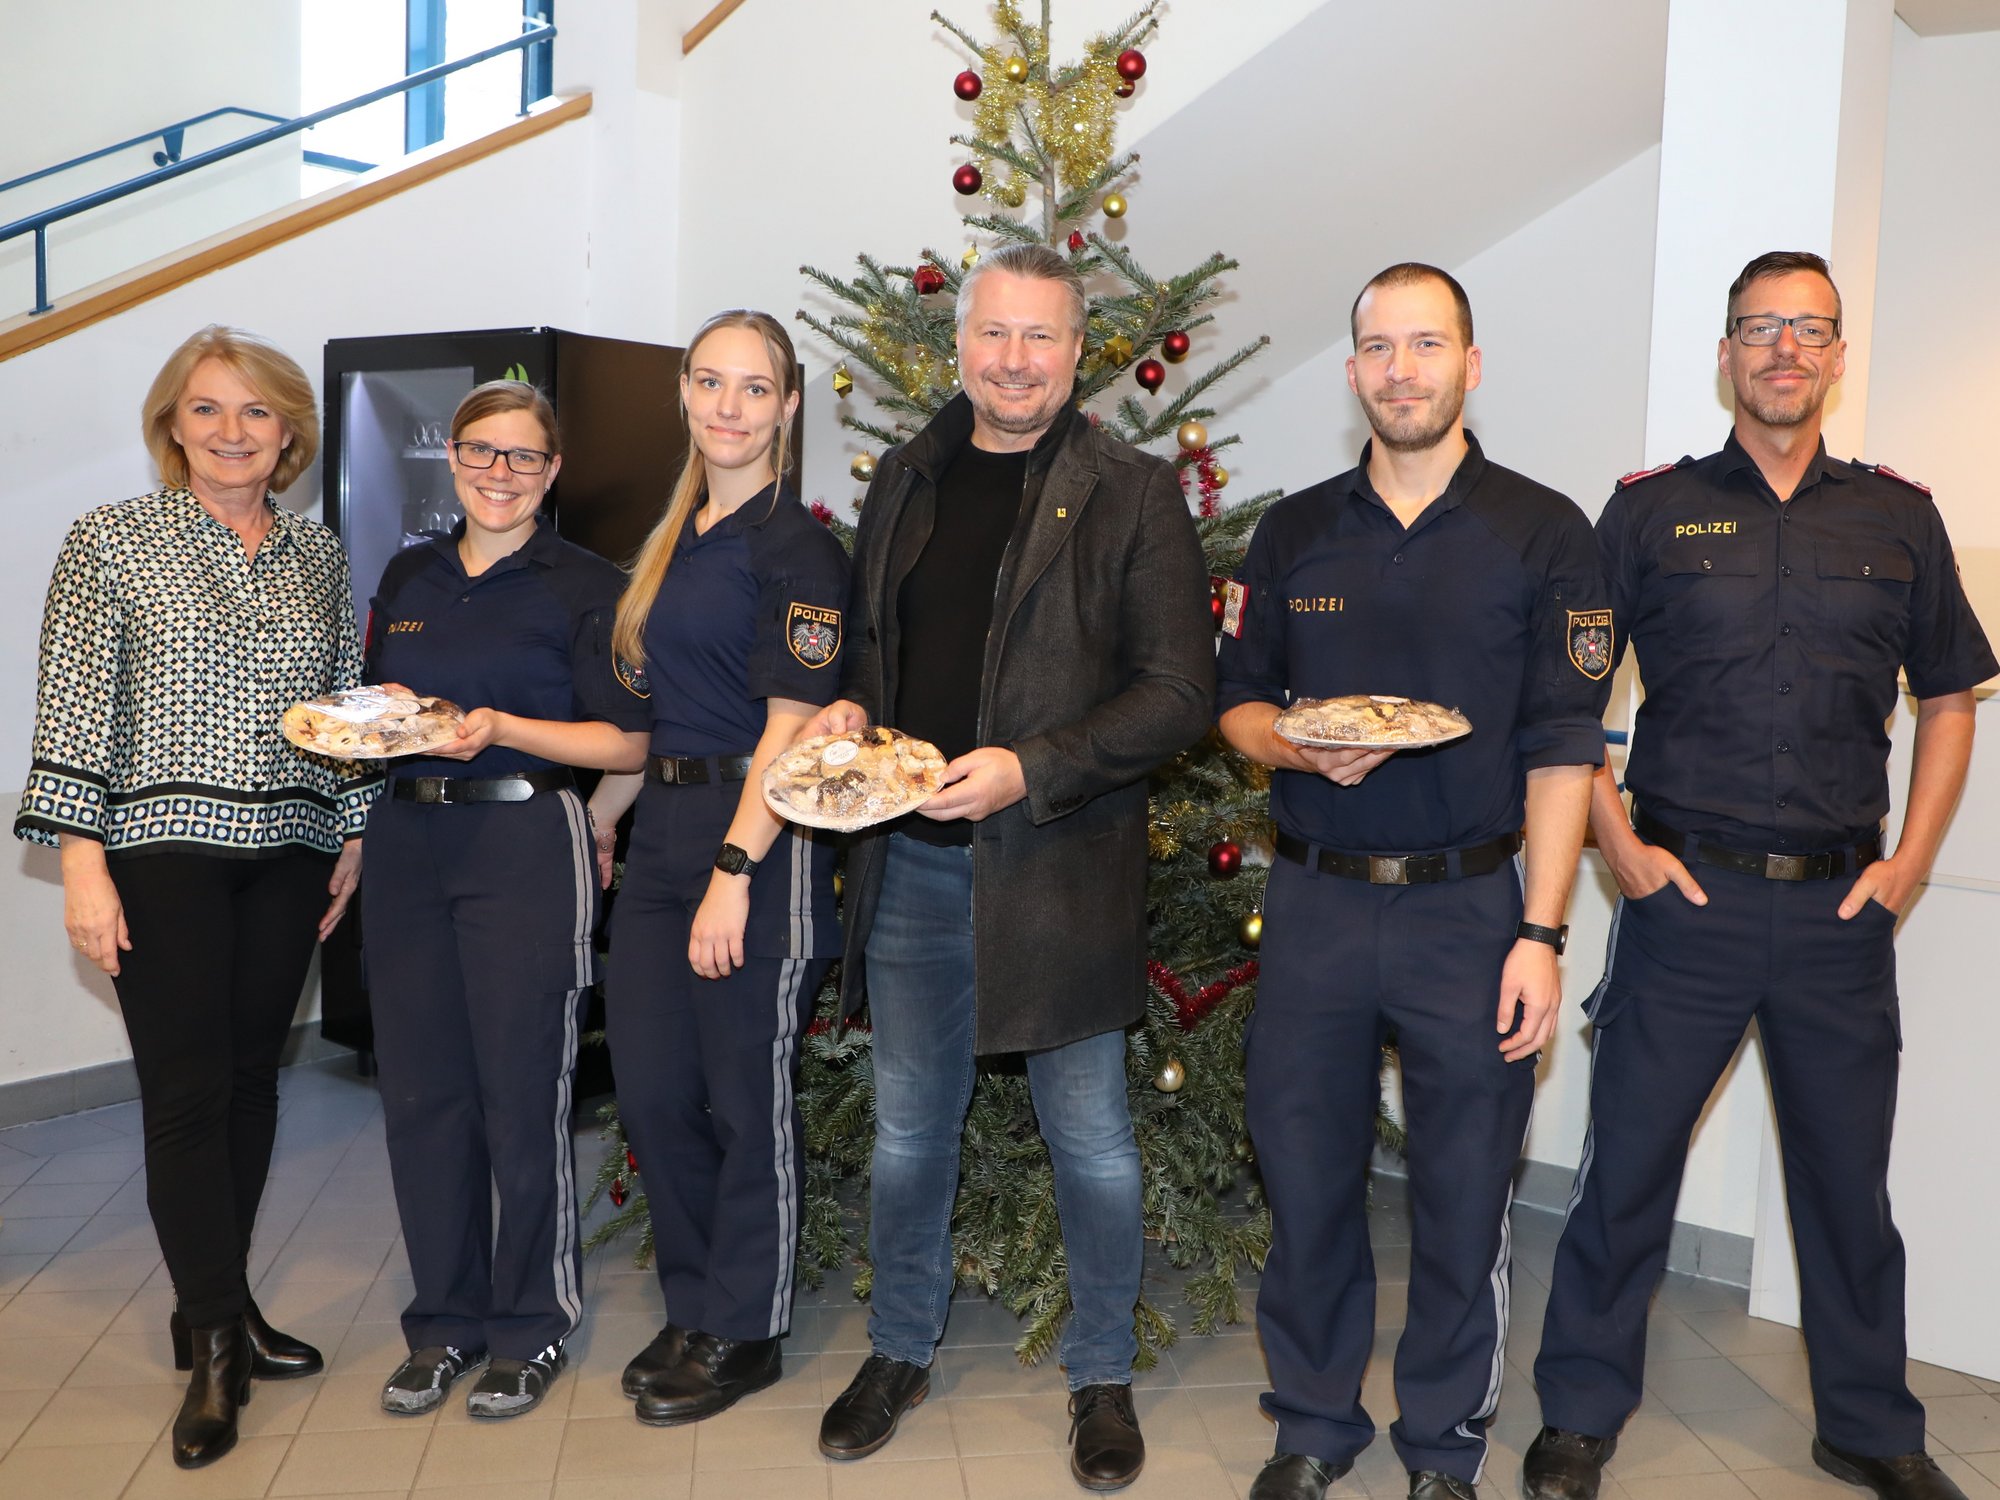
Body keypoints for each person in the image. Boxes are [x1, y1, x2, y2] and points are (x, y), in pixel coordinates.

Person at [1524, 251, 1995, 1500]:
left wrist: (1907, 864)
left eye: (1808, 329)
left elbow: (1948, 701)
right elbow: (1563, 706)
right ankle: (1576, 1413)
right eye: (1757, 329)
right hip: (1688, 907)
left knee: (1846, 1183)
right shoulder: (1642, 512)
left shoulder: (1897, 517)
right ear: (1724, 353)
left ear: (1837, 353)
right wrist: (1617, 848)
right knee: (1625, 1171)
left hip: (1844, 913)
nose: (1782, 350)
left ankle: (1868, 1427)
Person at [804, 242, 1214, 1494]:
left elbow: (1179, 696)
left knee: (1090, 1142)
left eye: (1040, 338)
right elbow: (878, 654)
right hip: (911, 867)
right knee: (907, 1136)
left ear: (1074, 353)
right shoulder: (909, 478)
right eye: (995, 334)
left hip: (1054, 867)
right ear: (959, 344)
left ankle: (1100, 1374)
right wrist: (845, 714)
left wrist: (1028, 767)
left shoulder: (1131, 491)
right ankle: (898, 1349)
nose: (1014, 360)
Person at [1215, 264, 1612, 1500]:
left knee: (1461, 1190)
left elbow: (1563, 749)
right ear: (1351, 374)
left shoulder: (1545, 532)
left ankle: (1443, 1445)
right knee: (1307, 1171)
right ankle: (1313, 1423)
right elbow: (1235, 703)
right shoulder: (1290, 532)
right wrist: (1289, 744)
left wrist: (1540, 933)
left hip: (1468, 906)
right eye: (1377, 348)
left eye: (1424, 345)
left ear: (1469, 363)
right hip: (1317, 903)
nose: (1399, 369)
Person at [14, 325, 379, 1468]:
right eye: (209, 409)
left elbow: (341, 710)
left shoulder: (319, 555)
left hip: (288, 849)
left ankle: (213, 1301)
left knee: (249, 1084)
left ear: (290, 435)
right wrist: (80, 861)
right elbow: (73, 709)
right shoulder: (109, 542)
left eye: (257, 414)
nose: (233, 433)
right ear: (173, 424)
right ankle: (216, 1342)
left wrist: (351, 833)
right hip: (158, 855)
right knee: (182, 1092)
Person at [360, 381, 651, 1420]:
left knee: (520, 1094)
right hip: (405, 841)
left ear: (552, 471)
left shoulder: (584, 584)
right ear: (451, 454)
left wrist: (505, 727)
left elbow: (629, 741)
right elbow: (379, 707)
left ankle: (529, 1328)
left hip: (523, 837)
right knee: (423, 1097)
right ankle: (444, 1323)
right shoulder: (409, 573)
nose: (499, 473)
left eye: (523, 458)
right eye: (482, 452)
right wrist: (390, 717)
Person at [582, 309, 849, 1427]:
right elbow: (661, 716)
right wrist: (606, 814)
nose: (728, 407)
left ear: (788, 407)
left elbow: (793, 725)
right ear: (684, 396)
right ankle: (692, 1304)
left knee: (745, 1103)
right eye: (709, 383)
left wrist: (736, 869)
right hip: (666, 833)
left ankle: (745, 1329)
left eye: (754, 387)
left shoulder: (800, 547)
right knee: (652, 1093)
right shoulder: (679, 532)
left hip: (759, 836)